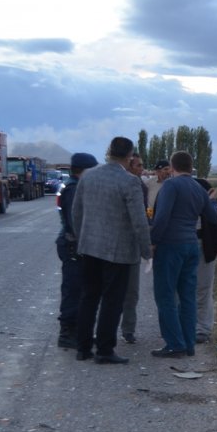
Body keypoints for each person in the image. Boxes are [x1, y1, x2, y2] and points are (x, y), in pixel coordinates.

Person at [72, 137, 152, 364]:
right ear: (130, 156)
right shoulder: (129, 182)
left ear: (108, 152)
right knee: (112, 301)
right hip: (118, 252)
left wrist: (82, 239)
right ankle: (105, 350)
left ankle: (83, 348)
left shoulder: (88, 176)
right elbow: (139, 220)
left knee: (88, 297)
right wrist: (147, 252)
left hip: (89, 248)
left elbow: (76, 212)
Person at [150, 151, 217, 358]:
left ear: (172, 167)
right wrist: (213, 201)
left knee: (165, 296)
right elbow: (214, 217)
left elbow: (161, 218)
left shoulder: (171, 186)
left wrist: (153, 241)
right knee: (187, 296)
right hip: (191, 246)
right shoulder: (199, 188)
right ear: (191, 167)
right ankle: (188, 343)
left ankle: (174, 343)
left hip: (171, 246)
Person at [55, 152, 99, 349]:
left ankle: (80, 333)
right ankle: (68, 333)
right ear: (85, 170)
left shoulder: (75, 186)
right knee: (73, 290)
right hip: (74, 247)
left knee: (79, 290)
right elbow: (77, 224)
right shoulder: (73, 189)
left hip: (73, 245)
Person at [193, 178, 217, 343]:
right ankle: (187, 326)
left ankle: (202, 329)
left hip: (205, 246)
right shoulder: (175, 190)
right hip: (182, 245)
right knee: (184, 289)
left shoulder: (205, 192)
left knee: (203, 289)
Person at [120, 152, 149, 344]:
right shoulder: (124, 184)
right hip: (121, 246)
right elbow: (139, 221)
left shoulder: (142, 187)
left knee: (132, 292)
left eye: (141, 165)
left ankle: (128, 329)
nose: (141, 169)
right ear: (129, 167)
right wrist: (147, 250)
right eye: (138, 166)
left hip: (131, 247)